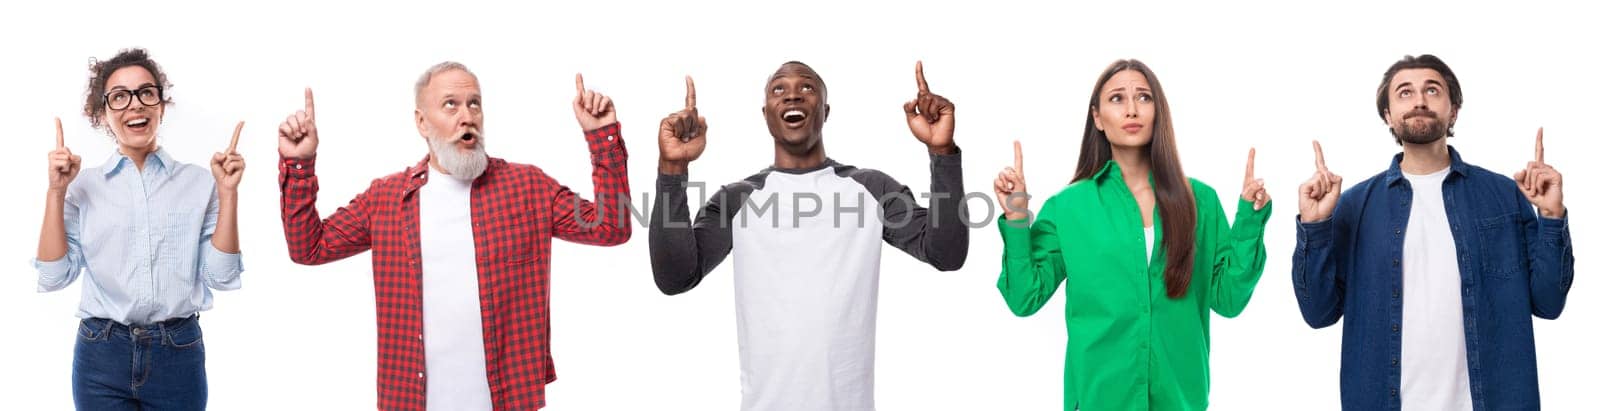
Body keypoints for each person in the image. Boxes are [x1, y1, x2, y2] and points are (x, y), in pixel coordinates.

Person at [276, 62, 631, 410]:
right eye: (451, 104)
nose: (468, 116)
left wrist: (602, 137)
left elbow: (611, 227)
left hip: (508, 400)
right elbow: (309, 247)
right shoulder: (386, 199)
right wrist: (299, 164)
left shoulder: (528, 187)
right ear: (421, 122)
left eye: (474, 103)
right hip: (410, 401)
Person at [648, 61, 969, 410]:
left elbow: (947, 254)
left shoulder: (872, 189)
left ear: (825, 111)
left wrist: (942, 153)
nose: (792, 96)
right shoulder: (736, 200)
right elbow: (675, 277)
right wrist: (673, 169)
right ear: (766, 113)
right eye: (778, 90)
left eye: (807, 88)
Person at [1291, 54, 1573, 410]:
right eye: (1404, 93)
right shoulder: (1353, 206)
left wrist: (1550, 215)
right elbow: (1318, 313)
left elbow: (1548, 303)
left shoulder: (1504, 196)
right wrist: (1315, 227)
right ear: (1388, 115)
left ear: (1453, 110)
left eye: (1432, 90)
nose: (1419, 100)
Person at [993, 59, 1271, 410]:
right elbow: (1024, 298)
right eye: (1116, 99)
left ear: (1158, 111)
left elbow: (1229, 300)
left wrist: (1250, 219)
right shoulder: (1067, 208)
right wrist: (1017, 218)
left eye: (1143, 97)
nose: (1131, 109)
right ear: (1097, 118)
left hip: (1181, 400)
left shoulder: (1199, 201)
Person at [34, 48, 247, 410]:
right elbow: (54, 276)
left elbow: (222, 276)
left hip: (178, 354)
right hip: (100, 354)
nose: (135, 105)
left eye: (146, 93)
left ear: (161, 106)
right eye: (119, 97)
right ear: (102, 115)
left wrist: (228, 194)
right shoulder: (82, 187)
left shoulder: (200, 182)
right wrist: (56, 191)